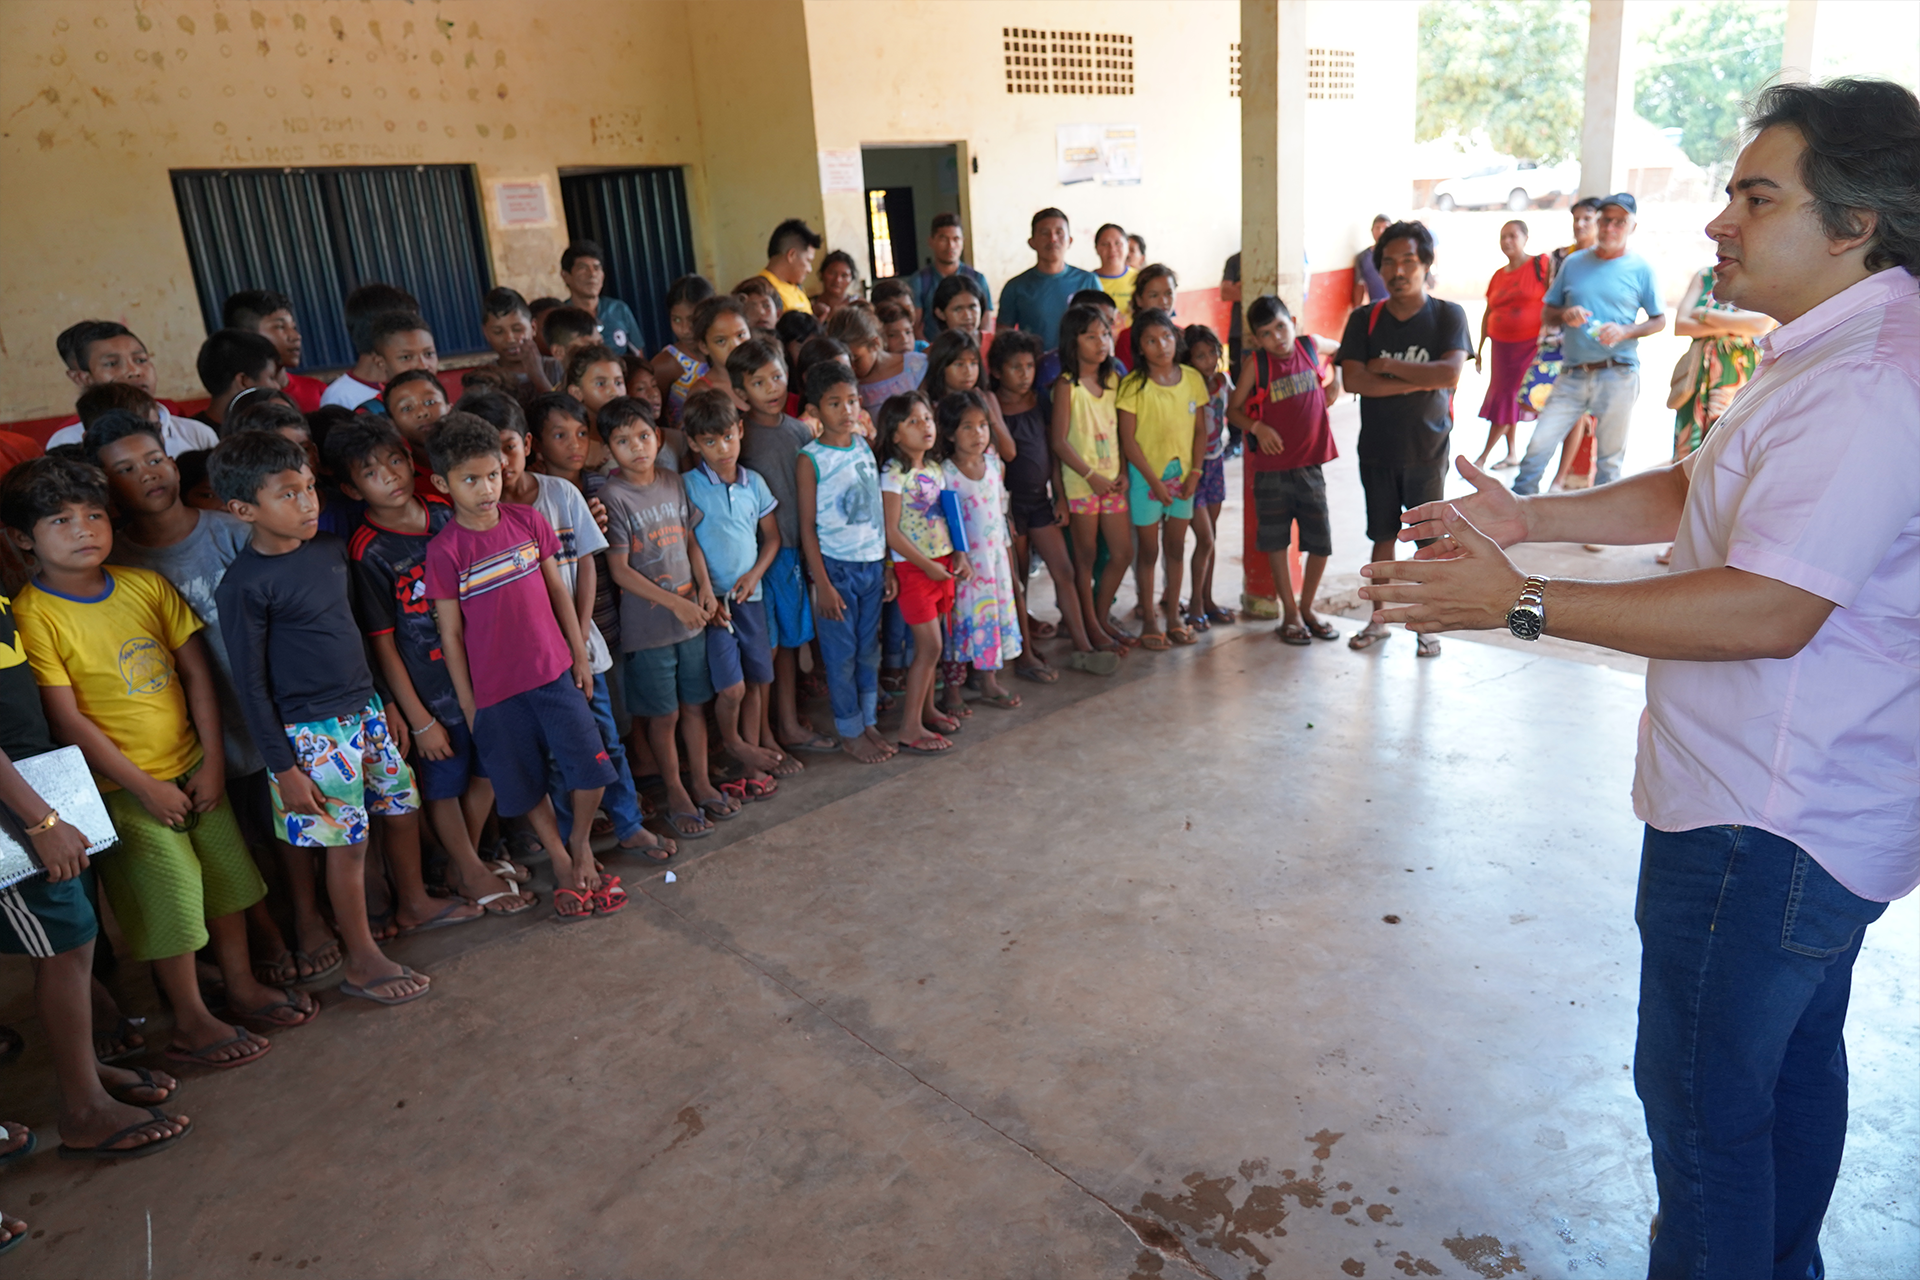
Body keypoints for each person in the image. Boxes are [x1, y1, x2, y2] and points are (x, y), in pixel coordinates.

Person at [1363, 78, 1920, 1279]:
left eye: (1755, 196)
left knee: (1707, 1118)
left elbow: (1774, 606)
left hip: (1763, 821)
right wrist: (1532, 511)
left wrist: (1516, 598)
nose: (1719, 223)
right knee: (1785, 1071)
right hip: (1792, 806)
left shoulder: (1869, 379)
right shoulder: (1822, 348)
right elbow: (1692, 491)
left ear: (1855, 222)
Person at [6, 456, 308, 1060]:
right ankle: (192, 1017)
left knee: (227, 885)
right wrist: (143, 786)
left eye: (94, 514)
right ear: (22, 539)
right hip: (122, 791)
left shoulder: (144, 585)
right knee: (169, 900)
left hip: (194, 768)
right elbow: (68, 719)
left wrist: (214, 761)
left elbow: (197, 672)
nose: (84, 529)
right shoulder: (33, 615)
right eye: (60, 521)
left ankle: (242, 986)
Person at [91, 411, 338, 984]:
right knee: (236, 840)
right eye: (125, 469)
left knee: (290, 825)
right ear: (107, 486)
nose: (147, 475)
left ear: (174, 464)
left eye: (154, 459)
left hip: (274, 712)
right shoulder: (118, 565)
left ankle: (307, 918)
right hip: (198, 730)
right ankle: (267, 937)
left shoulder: (229, 530)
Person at [210, 430, 438, 1002]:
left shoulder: (330, 552)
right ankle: (362, 959)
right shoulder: (244, 585)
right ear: (242, 510)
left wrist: (385, 699)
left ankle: (413, 903)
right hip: (309, 735)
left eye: (310, 488)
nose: (308, 503)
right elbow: (251, 686)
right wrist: (283, 767)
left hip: (364, 712)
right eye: (288, 494)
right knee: (348, 846)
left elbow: (361, 632)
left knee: (402, 808)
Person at [0, 596, 193, 1168]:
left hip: (34, 784)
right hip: (18, 809)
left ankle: (85, 1068)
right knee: (64, 944)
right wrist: (40, 821)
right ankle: (83, 1108)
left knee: (72, 939)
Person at [329, 418, 542, 914]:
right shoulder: (368, 550)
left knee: (489, 769)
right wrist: (419, 718)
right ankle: (469, 868)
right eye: (370, 471)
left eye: (397, 461)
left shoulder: (448, 514)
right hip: (431, 690)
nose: (390, 476)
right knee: (445, 781)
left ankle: (463, 862)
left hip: (485, 672)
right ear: (350, 488)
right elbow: (382, 643)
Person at [422, 412, 624, 921]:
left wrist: (579, 655)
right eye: (471, 479)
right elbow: (450, 634)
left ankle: (580, 844)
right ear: (442, 484)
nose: (487, 488)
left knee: (592, 769)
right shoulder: (445, 552)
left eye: (493, 474)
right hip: (495, 693)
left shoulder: (528, 522)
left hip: (554, 671)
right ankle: (560, 858)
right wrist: (470, 704)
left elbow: (559, 590)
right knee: (525, 782)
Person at [471, 393, 672, 863]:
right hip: (533, 660)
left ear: (526, 444)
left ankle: (628, 824)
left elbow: (586, 569)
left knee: (605, 739)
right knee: (558, 755)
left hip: (582, 648)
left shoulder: (561, 495)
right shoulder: (486, 521)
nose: (501, 463)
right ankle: (567, 840)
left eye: (508, 447)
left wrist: (579, 637)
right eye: (488, 456)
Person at [597, 397, 730, 840]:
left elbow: (690, 542)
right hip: (650, 629)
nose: (637, 447)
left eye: (643, 435)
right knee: (665, 714)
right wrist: (676, 603)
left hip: (691, 618)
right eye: (622, 440)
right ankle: (675, 790)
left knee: (695, 705)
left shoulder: (673, 481)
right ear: (608, 449)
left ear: (658, 436)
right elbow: (619, 570)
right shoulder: (612, 495)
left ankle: (702, 781)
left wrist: (706, 589)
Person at [1337, 220, 1469, 658]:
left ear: (1426, 263)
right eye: (1388, 262)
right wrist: (1419, 379)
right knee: (1381, 536)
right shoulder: (1364, 319)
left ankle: (1426, 626)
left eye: (1408, 261)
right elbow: (1355, 380)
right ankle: (1378, 622)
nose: (1398, 270)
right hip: (1377, 450)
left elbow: (1449, 373)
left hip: (1426, 451)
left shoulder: (1448, 315)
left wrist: (1387, 367)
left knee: (1428, 544)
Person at [1511, 194, 1666, 496]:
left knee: (1609, 459)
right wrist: (1564, 315)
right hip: (1572, 373)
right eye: (1605, 220)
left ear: (1632, 227)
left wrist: (1626, 330)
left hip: (1618, 373)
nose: (1610, 227)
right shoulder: (1574, 263)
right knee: (1538, 447)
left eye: (1619, 222)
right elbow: (1547, 313)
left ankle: (1600, 526)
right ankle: (1515, 508)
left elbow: (1659, 320)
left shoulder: (1641, 268)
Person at [988, 331, 1110, 679]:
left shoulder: (1040, 400)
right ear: (997, 371)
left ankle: (1082, 644)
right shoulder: (993, 406)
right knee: (1019, 580)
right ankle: (1023, 651)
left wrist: (1059, 495)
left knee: (1065, 570)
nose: (1024, 373)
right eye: (1015, 367)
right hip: (1010, 509)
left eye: (1029, 366)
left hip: (1040, 501)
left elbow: (1052, 452)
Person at [681, 391, 782, 804]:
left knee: (757, 681)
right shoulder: (688, 486)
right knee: (732, 689)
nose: (721, 449)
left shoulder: (754, 483)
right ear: (693, 444)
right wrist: (706, 589)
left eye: (727, 437)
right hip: (716, 605)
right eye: (709, 441)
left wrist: (755, 573)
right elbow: (689, 542)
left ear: (740, 430)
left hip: (750, 598)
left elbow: (772, 538)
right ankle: (734, 743)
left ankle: (752, 765)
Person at [728, 339, 821, 764]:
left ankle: (787, 723)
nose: (772, 387)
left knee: (787, 646)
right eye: (759, 381)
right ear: (741, 393)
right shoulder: (741, 439)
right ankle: (762, 735)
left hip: (794, 556)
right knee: (762, 649)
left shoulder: (800, 431)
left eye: (778, 376)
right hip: (756, 561)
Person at [1227, 296, 1341, 645]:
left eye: (1280, 327)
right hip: (1272, 472)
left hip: (1310, 467)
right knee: (1276, 542)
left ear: (1292, 321)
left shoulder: (1309, 346)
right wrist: (1257, 428)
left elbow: (1341, 350)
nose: (1277, 337)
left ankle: (1308, 608)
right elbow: (1233, 411)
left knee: (1320, 543)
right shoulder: (1257, 365)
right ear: (1257, 340)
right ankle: (1290, 613)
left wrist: (1336, 381)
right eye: (1266, 333)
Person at [797, 361, 895, 765]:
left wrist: (887, 564)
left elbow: (875, 511)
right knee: (841, 656)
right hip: (836, 570)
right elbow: (806, 527)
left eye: (852, 400)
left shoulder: (862, 447)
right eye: (835, 403)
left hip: (871, 564)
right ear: (815, 411)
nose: (847, 410)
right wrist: (822, 583)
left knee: (869, 650)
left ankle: (868, 721)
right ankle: (850, 731)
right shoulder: (811, 459)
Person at [877, 391, 967, 755]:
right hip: (915, 570)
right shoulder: (893, 473)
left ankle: (927, 709)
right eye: (912, 421)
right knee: (930, 646)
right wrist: (926, 565)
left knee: (932, 646)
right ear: (895, 434)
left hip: (942, 565)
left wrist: (959, 554)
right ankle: (909, 727)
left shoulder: (935, 468)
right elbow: (892, 531)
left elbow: (949, 516)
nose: (924, 426)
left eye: (927, 418)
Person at [1115, 309, 1207, 650]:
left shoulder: (1192, 379)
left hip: (1182, 476)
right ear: (1140, 347)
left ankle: (1173, 617)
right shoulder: (1133, 386)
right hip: (1145, 478)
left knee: (1176, 547)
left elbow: (1201, 431)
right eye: (1151, 340)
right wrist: (1153, 482)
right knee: (1149, 551)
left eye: (1166, 337)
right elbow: (1129, 441)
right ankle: (1150, 621)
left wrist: (1195, 472)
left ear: (1176, 338)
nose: (1161, 346)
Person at [1050, 303, 1132, 655]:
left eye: (1105, 334)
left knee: (1121, 552)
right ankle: (1090, 627)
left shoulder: (1114, 379)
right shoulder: (1067, 386)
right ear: (1073, 341)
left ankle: (1098, 618)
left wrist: (1124, 471)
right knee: (1084, 558)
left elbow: (1123, 433)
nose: (1101, 342)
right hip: (1082, 484)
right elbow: (1059, 441)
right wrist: (1090, 475)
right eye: (1091, 336)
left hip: (1113, 481)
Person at [936, 389, 1023, 715]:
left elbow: (1000, 509)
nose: (979, 434)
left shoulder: (992, 465)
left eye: (983, 425)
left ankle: (988, 681)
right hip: (965, 567)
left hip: (995, 562)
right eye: (968, 427)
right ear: (948, 432)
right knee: (960, 624)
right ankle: (953, 691)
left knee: (991, 619)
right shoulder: (945, 472)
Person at [45, 322, 219, 455]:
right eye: (111, 364)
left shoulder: (196, 433)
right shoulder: (67, 441)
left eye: (141, 360)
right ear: (84, 378)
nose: (134, 371)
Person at [1669, 263, 1773, 459]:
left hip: (1740, 372)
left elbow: (1763, 323)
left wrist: (1704, 314)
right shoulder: (1705, 276)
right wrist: (1735, 326)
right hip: (1699, 372)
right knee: (1690, 444)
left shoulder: (1761, 273)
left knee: (1729, 444)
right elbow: (1681, 325)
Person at [1472, 220, 1553, 470]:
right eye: (1502, 236)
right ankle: (1512, 454)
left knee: (1509, 397)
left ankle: (1482, 458)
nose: (1507, 241)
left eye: (1512, 236)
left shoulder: (1541, 265)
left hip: (1529, 347)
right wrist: (1481, 346)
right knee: (1506, 397)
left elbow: (1554, 300)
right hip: (1501, 347)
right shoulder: (1498, 275)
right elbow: (1489, 311)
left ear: (1525, 238)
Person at [1181, 324, 1234, 630]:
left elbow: (1238, 407)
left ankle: (1208, 599)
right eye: (1200, 355)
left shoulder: (1223, 381)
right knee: (1205, 538)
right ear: (1188, 360)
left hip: (1215, 465)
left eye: (1212, 351)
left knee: (1210, 538)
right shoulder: (1186, 387)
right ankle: (1195, 605)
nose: (1209, 359)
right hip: (1192, 469)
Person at [997, 208, 1102, 343]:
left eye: (1059, 233)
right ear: (1032, 242)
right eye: (1044, 233)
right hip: (1036, 363)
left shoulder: (1088, 282)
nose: (1052, 239)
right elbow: (1003, 340)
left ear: (1069, 241)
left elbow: (1103, 330)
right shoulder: (1015, 287)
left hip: (1080, 363)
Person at [224, 289, 325, 413]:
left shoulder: (317, 391)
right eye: (280, 327)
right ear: (247, 335)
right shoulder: (234, 405)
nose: (295, 336)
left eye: (293, 327)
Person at [828, 304, 927, 416]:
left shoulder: (916, 366)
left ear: (875, 343)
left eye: (855, 359)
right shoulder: (848, 385)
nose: (850, 368)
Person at [910, 214, 995, 340]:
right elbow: (915, 327)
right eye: (943, 239)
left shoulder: (977, 279)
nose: (951, 246)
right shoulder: (920, 281)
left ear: (963, 242)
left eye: (956, 239)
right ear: (931, 241)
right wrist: (933, 354)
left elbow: (986, 322)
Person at [651, 274, 718, 425]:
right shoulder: (666, 363)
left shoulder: (722, 353)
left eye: (692, 319)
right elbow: (656, 419)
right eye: (676, 320)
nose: (685, 329)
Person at [559, 241, 643, 357]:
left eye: (597, 268)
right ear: (566, 276)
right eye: (583, 268)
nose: (592, 274)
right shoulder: (561, 316)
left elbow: (638, 353)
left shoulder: (619, 309)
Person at [194, 330, 282, 432]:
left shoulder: (188, 434)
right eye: (271, 378)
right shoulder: (199, 439)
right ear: (244, 381)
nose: (277, 387)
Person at [479, 286, 559, 395]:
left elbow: (565, 410)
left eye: (517, 329)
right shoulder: (483, 379)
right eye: (498, 332)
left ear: (533, 328)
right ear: (486, 333)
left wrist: (538, 376)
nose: (510, 339)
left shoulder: (556, 368)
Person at [760, 219, 822, 316]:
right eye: (808, 261)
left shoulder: (796, 287)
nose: (809, 270)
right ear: (792, 255)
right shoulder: (762, 291)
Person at [929, 274, 989, 344]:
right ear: (940, 314)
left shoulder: (997, 345)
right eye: (958, 309)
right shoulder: (934, 352)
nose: (967, 316)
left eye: (972, 307)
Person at [1093, 223, 1138, 315]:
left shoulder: (1139, 279)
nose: (1112, 249)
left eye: (1118, 243)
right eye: (1105, 244)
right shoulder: (1088, 281)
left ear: (1127, 246)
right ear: (1096, 248)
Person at [809, 249, 862, 324]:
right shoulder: (808, 305)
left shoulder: (858, 306)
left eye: (844, 275)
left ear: (851, 279)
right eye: (832, 273)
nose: (837, 280)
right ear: (821, 274)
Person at [1350, 214, 1392, 308]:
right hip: (1377, 310)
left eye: (1385, 228)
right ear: (1372, 230)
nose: (1381, 231)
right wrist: (1356, 310)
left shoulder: (1399, 254)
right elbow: (1359, 286)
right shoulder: (1363, 257)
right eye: (1377, 228)